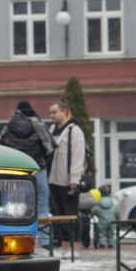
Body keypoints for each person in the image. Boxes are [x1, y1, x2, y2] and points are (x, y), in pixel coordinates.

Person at [0, 101, 55, 248]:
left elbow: (1, 146)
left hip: (15, 171)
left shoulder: (9, 126)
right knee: (42, 205)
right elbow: (49, 147)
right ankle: (45, 241)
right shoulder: (38, 125)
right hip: (38, 169)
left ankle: (15, 240)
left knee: (13, 207)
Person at [48, 98, 86, 244]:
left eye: (54, 112)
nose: (51, 115)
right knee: (60, 214)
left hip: (69, 180)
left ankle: (74, 246)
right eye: (50, 113)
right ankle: (64, 245)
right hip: (53, 179)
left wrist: (74, 180)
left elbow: (78, 156)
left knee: (72, 215)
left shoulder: (74, 131)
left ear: (64, 111)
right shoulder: (52, 130)